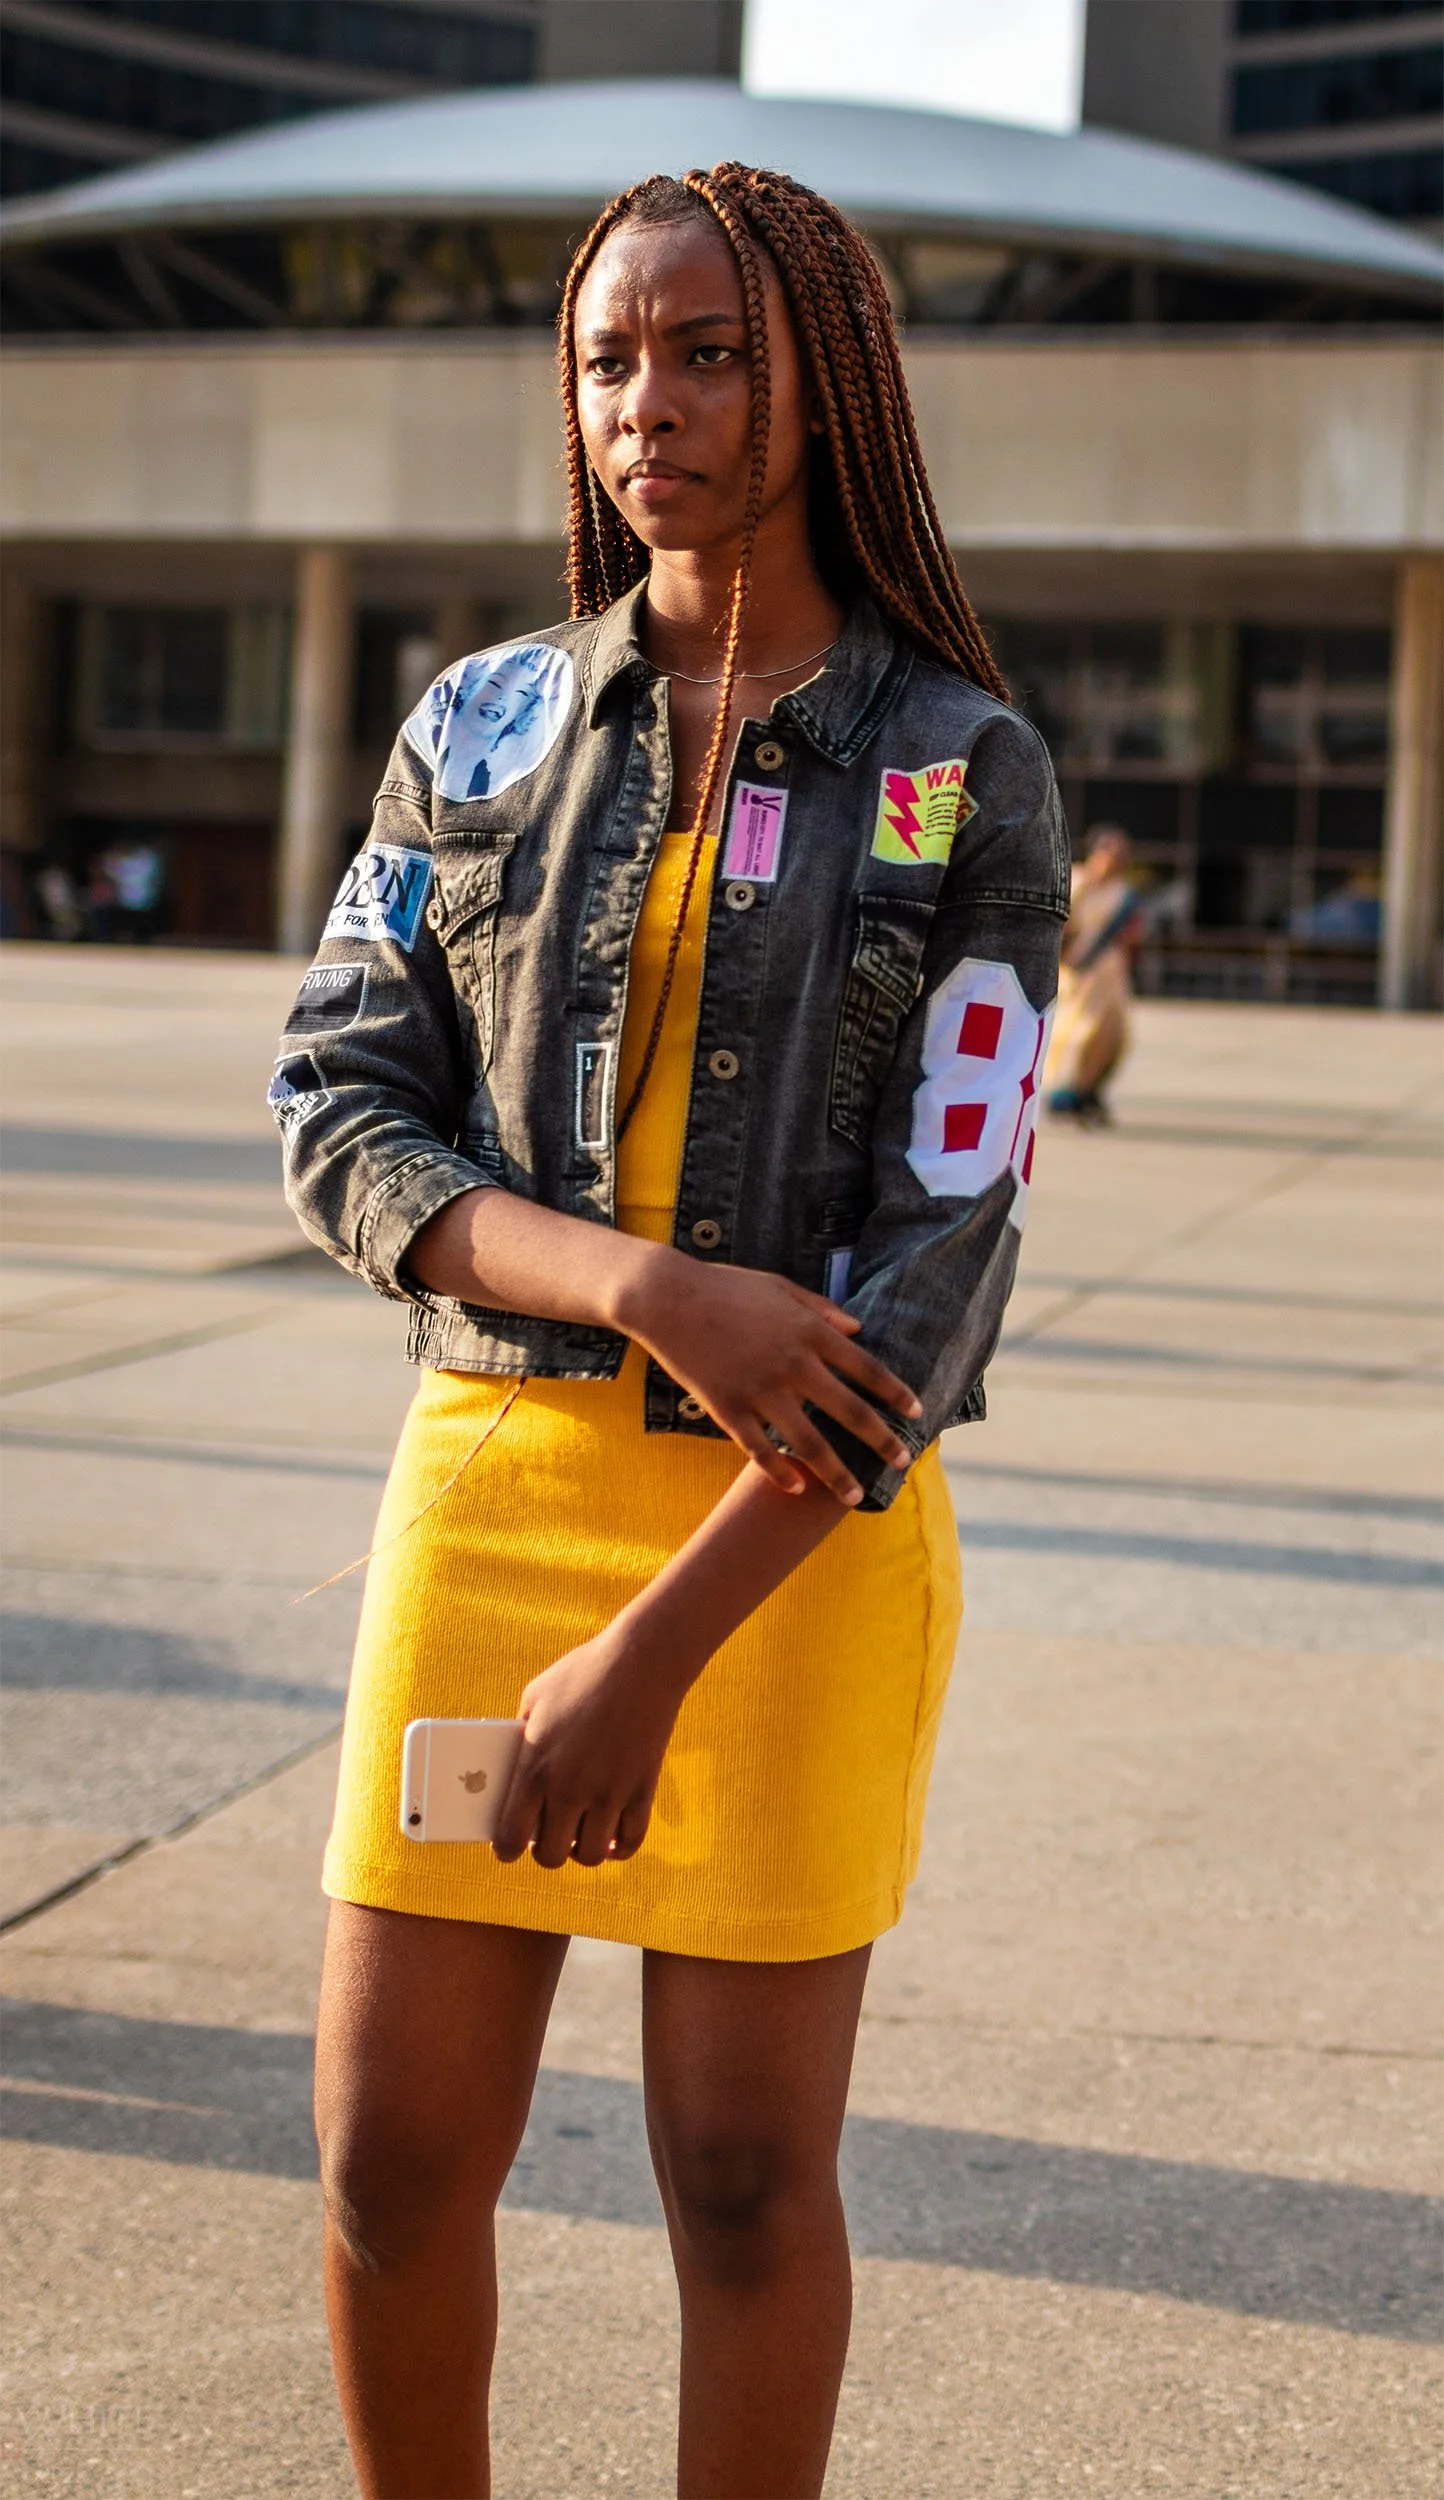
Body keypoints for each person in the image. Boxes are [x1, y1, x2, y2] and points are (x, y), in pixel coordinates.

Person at [275, 161, 1065, 2500]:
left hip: (791, 1542)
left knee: (737, 2179)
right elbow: (341, 1102)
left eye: (710, 349)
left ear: (827, 369)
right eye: (610, 356)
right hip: (489, 1486)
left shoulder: (961, 770)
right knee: (384, 2165)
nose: (651, 401)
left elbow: (937, 1266)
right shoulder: (486, 726)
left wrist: (653, 1652)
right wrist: (640, 1283)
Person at [1044, 822, 1141, 1126]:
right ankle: (1070, 1092)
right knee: (1079, 1035)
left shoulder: (1123, 892)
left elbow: (1130, 934)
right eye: (1109, 851)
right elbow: (1062, 922)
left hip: (1109, 974)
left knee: (1114, 1035)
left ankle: (1090, 1090)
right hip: (1078, 975)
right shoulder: (1077, 880)